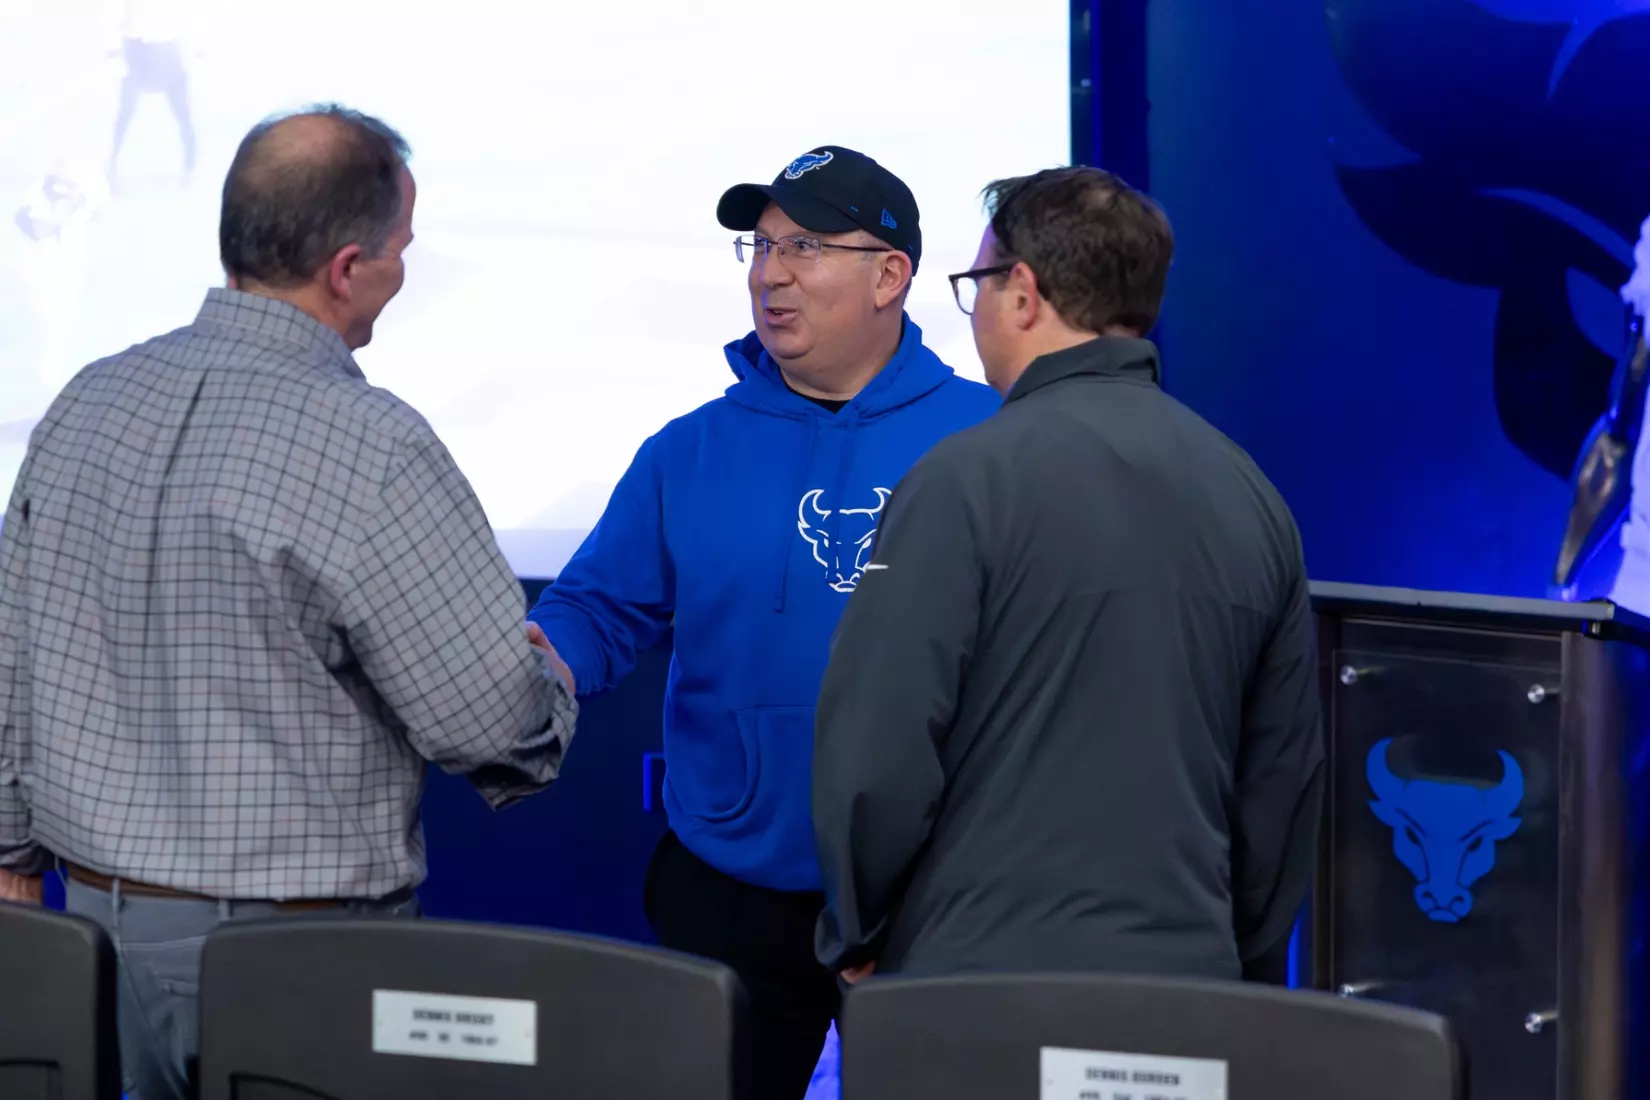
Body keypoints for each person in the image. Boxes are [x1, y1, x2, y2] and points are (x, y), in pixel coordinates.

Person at [0, 105, 577, 1100]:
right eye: (402, 247)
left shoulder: (85, 399)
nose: (405, 268)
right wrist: (549, 686)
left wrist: (11, 856)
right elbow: (485, 717)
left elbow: (10, 656)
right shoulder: (373, 444)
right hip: (299, 957)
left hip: (84, 935)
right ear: (349, 267)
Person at [526, 145, 1000, 1099]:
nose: (770, 273)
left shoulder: (988, 440)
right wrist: (542, 658)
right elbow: (598, 608)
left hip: (931, 895)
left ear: (891, 277)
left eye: (808, 247)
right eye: (761, 245)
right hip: (730, 883)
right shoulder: (690, 449)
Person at [812, 166, 1324, 985]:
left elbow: (878, 748)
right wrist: (1242, 966)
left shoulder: (959, 482)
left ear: (1020, 292)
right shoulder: (1252, 496)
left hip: (973, 988)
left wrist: (855, 930)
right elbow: (1282, 780)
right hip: (1187, 989)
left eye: (976, 283)